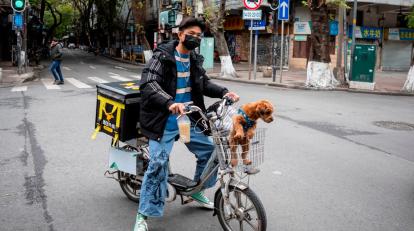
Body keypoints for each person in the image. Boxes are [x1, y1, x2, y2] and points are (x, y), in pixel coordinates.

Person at [134, 17, 239, 231]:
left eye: (199, 35)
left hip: (186, 120)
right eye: (191, 33)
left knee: (210, 152)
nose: (195, 38)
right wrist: (169, 102)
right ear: (180, 34)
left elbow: (203, 84)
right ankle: (143, 215)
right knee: (158, 165)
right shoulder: (162, 56)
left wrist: (224, 92)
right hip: (162, 121)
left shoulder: (194, 59)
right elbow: (149, 83)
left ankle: (196, 190)